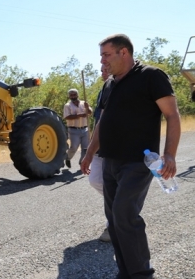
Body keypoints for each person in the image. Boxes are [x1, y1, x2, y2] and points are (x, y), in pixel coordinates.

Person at [81, 34, 181, 278]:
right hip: (110, 161)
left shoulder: (151, 76)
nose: (102, 60)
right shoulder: (109, 84)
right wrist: (90, 152)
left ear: (123, 52)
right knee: (114, 219)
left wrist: (169, 154)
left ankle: (142, 273)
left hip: (138, 161)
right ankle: (125, 272)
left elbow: (172, 114)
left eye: (106, 54)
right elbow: (102, 122)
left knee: (125, 213)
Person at [88, 65, 111, 242]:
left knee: (113, 187)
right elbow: (98, 121)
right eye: (102, 68)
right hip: (98, 145)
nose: (103, 71)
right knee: (95, 179)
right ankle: (124, 210)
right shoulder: (103, 90)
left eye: (106, 68)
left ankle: (114, 225)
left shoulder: (120, 89)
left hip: (115, 148)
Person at [63, 88, 92, 168]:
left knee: (85, 148)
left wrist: (88, 107)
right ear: (69, 96)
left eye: (74, 94)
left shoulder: (84, 103)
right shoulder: (67, 105)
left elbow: (90, 112)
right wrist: (78, 116)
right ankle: (68, 158)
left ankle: (82, 163)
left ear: (77, 95)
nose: (73, 96)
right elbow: (67, 117)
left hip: (85, 129)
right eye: (71, 95)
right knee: (74, 147)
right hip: (73, 130)